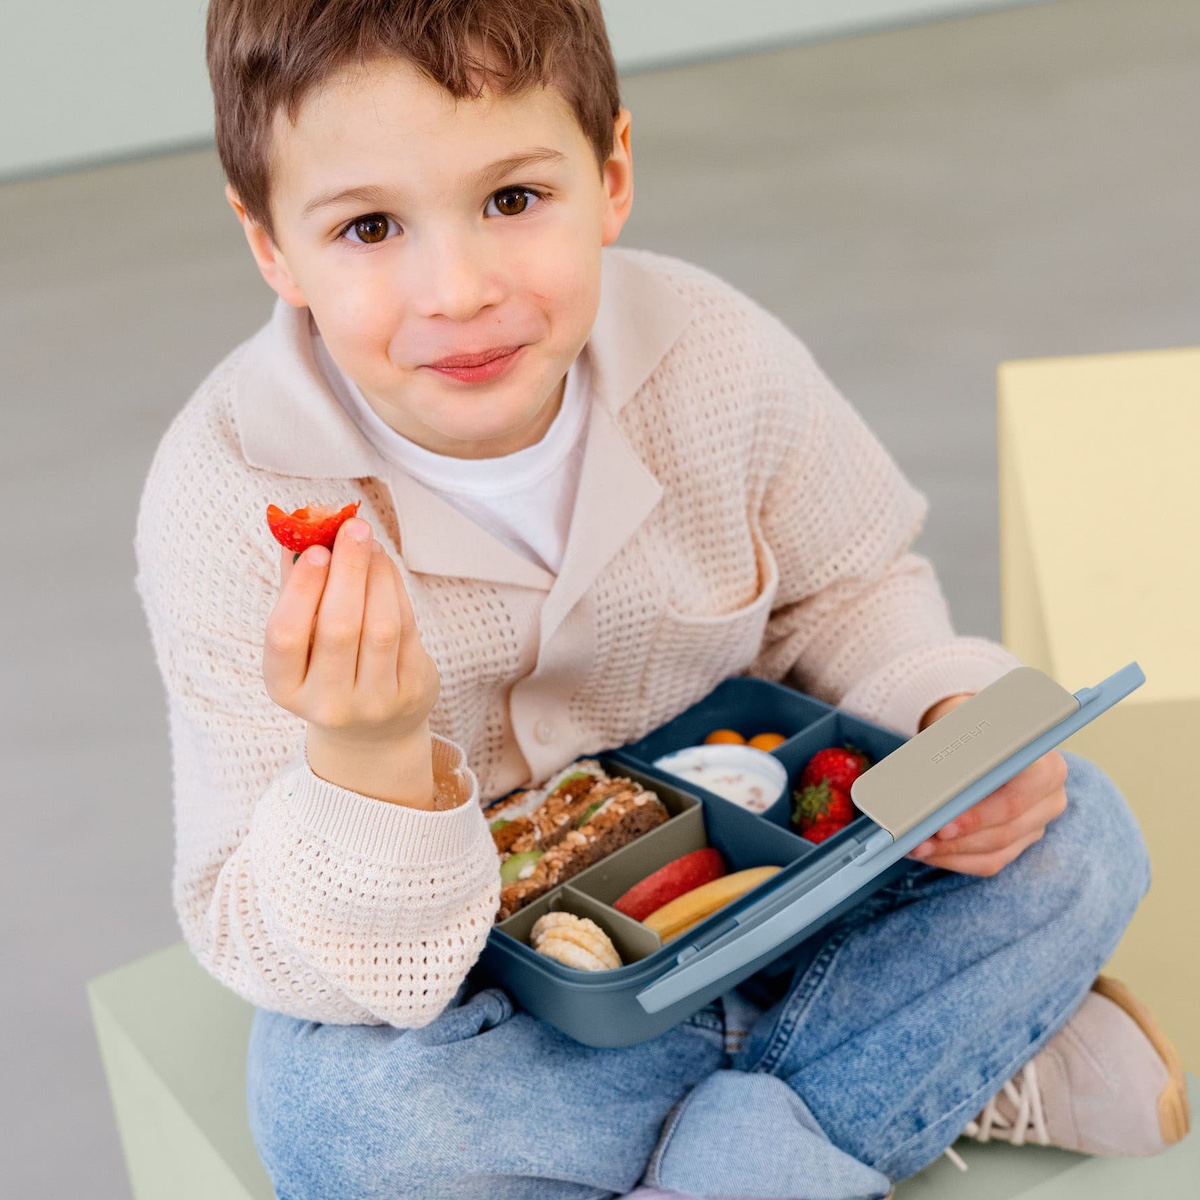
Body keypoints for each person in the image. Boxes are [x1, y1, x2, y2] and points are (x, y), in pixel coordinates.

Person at [134, 1, 1189, 1197]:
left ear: (612, 171)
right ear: (271, 243)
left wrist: (950, 723)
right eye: (370, 226)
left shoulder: (712, 352)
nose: (460, 288)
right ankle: (900, 1079)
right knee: (350, 1129)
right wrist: (369, 758)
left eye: (514, 200)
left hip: (782, 880)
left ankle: (738, 1142)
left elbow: (851, 591)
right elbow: (254, 923)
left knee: (1082, 836)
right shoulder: (224, 501)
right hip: (495, 991)